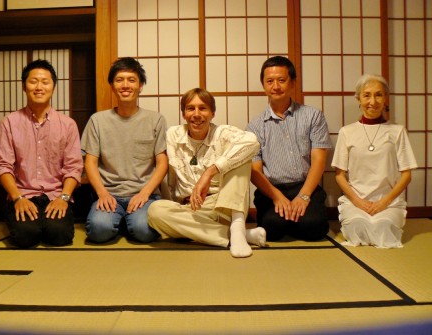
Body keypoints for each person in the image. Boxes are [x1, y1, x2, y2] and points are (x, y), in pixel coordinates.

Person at [148, 88, 266, 258]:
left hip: (224, 206)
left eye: (203, 108)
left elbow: (252, 142)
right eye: (190, 108)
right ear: (183, 114)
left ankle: (238, 225)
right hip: (192, 210)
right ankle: (240, 235)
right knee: (155, 211)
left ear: (212, 113)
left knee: (242, 158)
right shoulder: (174, 135)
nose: (196, 114)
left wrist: (209, 172)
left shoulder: (222, 133)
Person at [0, 59, 83, 248]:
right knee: (26, 237)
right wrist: (18, 198)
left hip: (56, 195)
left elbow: (74, 167)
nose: (39, 87)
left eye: (45, 82)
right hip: (22, 193)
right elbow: (3, 166)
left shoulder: (67, 125)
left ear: (53, 86)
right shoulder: (10, 122)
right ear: (24, 87)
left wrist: (64, 198)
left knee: (59, 236)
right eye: (33, 81)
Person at [81, 57, 167, 243]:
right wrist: (102, 193)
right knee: (99, 231)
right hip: (108, 193)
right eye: (119, 80)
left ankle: (127, 221)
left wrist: (144, 193)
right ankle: (119, 220)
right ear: (112, 85)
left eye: (131, 80)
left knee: (144, 232)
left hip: (144, 195)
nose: (125, 85)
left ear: (141, 85)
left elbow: (162, 162)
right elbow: (90, 161)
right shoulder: (98, 120)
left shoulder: (156, 120)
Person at [246, 56, 331, 242]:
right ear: (263, 85)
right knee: (272, 229)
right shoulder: (254, 126)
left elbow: (319, 160)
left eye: (281, 80)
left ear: (292, 82)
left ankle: (299, 220)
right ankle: (290, 220)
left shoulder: (313, 116)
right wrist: (277, 196)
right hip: (271, 190)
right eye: (270, 81)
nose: (275, 86)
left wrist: (304, 196)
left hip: (305, 185)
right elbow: (255, 171)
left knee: (314, 228)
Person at [331, 74, 417, 248]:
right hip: (356, 200)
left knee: (383, 227)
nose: (373, 101)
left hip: (388, 201)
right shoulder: (347, 132)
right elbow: (339, 175)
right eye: (367, 95)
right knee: (357, 226)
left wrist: (383, 202)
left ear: (385, 98)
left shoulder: (397, 131)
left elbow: (406, 174)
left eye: (378, 95)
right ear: (358, 99)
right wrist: (358, 202)